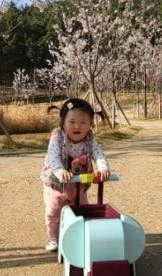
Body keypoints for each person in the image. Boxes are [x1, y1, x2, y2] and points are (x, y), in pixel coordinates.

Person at [40, 98, 110, 252]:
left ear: (91, 124)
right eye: (72, 122)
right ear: (63, 122)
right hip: (56, 184)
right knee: (54, 210)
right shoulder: (58, 137)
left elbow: (98, 154)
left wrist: (103, 168)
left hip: (78, 184)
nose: (78, 126)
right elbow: (53, 156)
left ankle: (83, 234)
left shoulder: (90, 139)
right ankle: (53, 237)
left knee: (83, 209)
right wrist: (59, 171)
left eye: (84, 122)